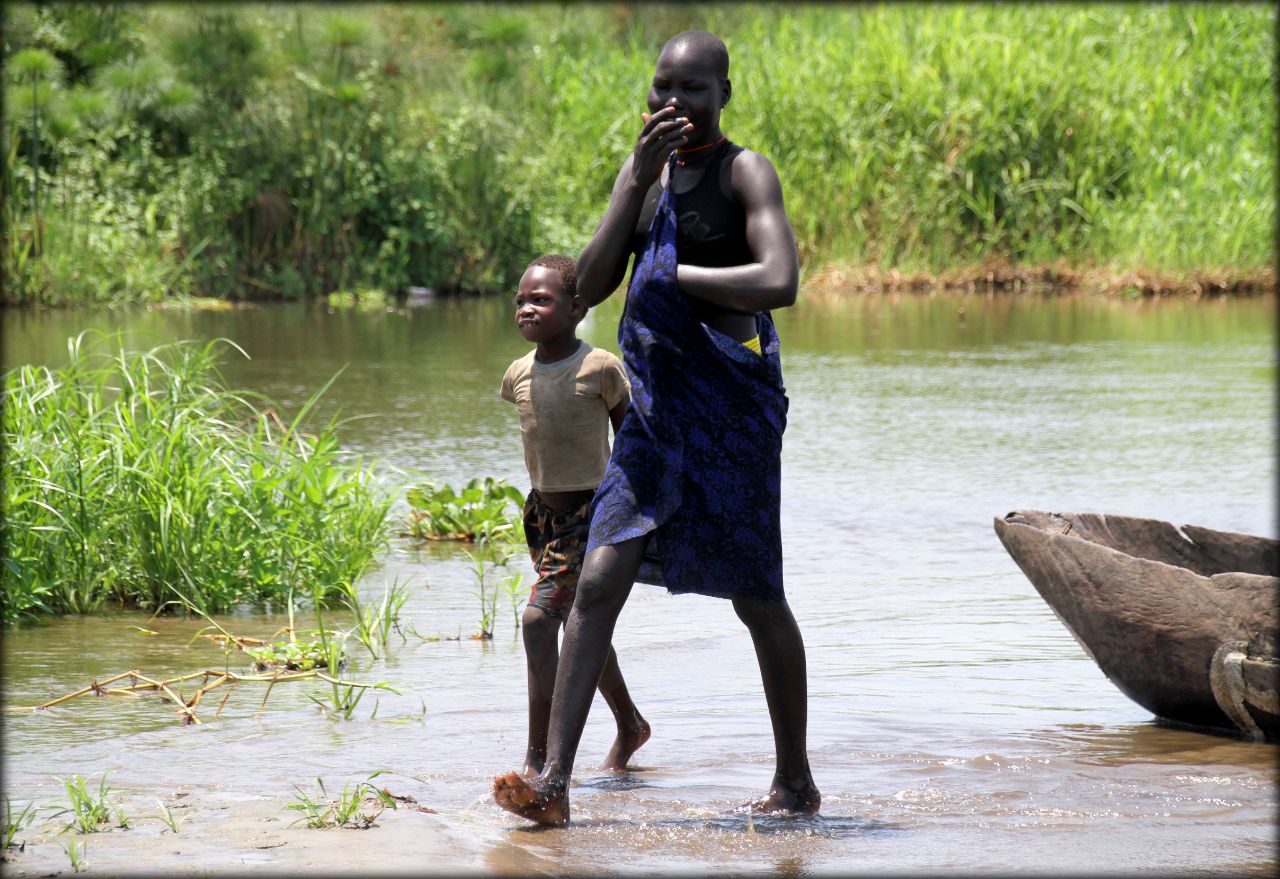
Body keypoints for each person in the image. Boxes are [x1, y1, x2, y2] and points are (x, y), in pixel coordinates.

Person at [493, 31, 820, 826]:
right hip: (653, 413)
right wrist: (631, 183)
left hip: (731, 419)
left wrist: (683, 277)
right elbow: (595, 282)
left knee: (756, 596)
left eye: (694, 89)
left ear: (724, 95)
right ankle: (554, 785)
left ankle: (795, 781)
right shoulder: (646, 177)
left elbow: (780, 279)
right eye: (661, 89)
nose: (674, 104)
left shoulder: (745, 173)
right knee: (597, 581)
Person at [500, 253, 652, 779]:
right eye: (521, 301)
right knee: (579, 626)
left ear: (576, 307)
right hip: (542, 513)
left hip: (592, 513)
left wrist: (636, 511)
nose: (526, 309)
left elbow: (632, 439)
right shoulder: (517, 374)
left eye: (540, 300)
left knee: (539, 622)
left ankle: (538, 760)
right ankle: (630, 724)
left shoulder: (600, 367)